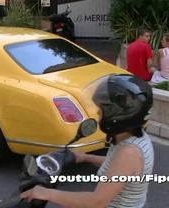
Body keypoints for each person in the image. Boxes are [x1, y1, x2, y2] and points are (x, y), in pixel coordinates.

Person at [20, 74, 155, 208]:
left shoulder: (128, 152)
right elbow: (118, 167)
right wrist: (86, 157)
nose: (98, 113)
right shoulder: (135, 138)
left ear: (117, 115)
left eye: (102, 109)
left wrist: (46, 193)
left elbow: (96, 202)